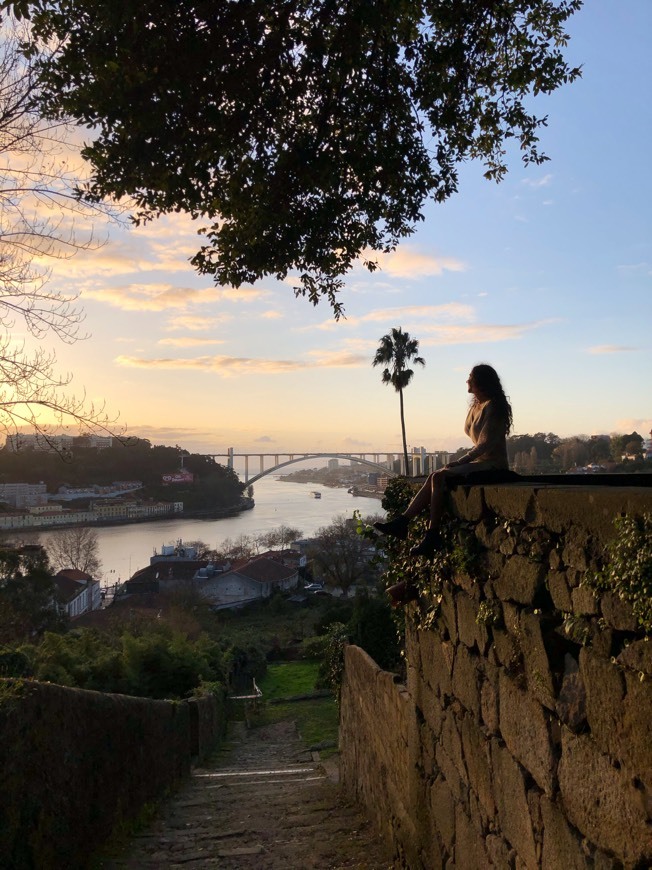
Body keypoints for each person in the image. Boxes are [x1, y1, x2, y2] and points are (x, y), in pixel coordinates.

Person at [374, 364, 513, 563]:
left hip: (492, 465)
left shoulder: (494, 406)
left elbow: (484, 444)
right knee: (435, 476)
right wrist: (461, 462)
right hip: (478, 463)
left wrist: (461, 461)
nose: (467, 380)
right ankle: (402, 522)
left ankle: (431, 534)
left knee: (439, 476)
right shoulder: (475, 406)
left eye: (470, 377)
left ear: (480, 382)